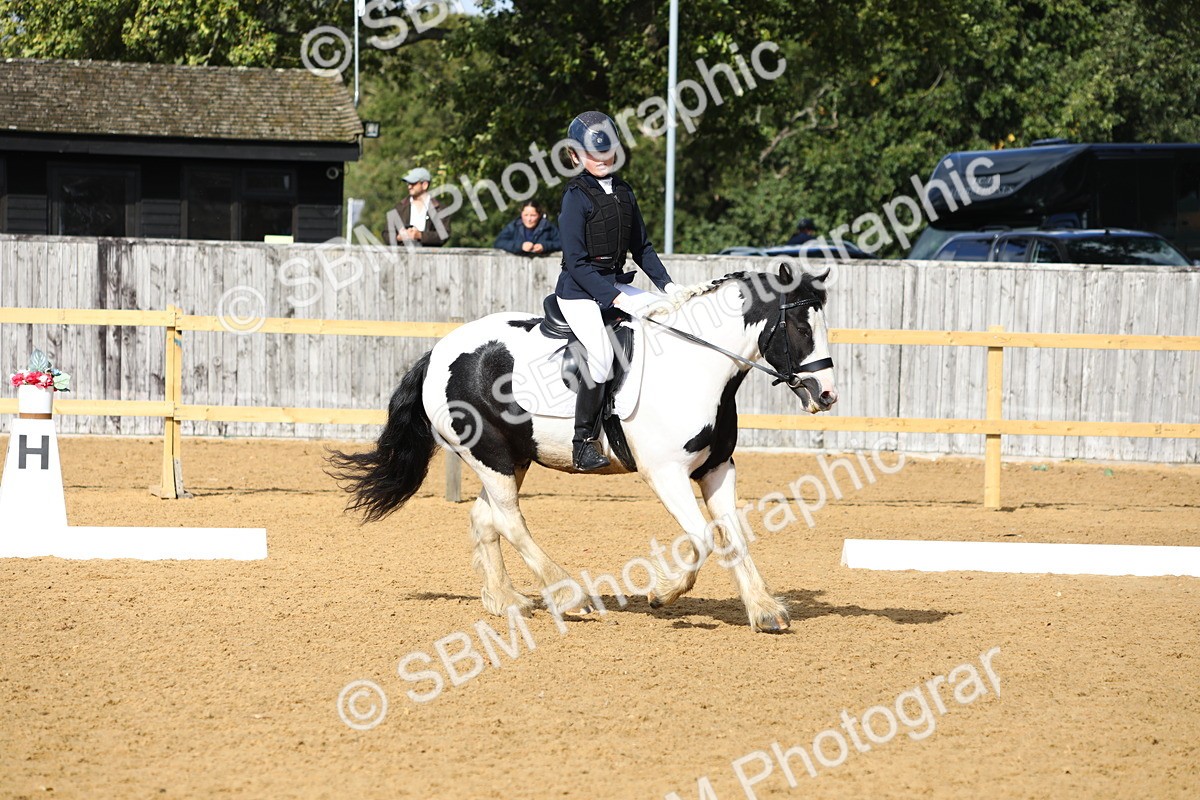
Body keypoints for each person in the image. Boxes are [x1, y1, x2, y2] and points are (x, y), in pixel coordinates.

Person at [556, 110, 680, 471]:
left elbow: (642, 247)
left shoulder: (625, 192)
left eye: (607, 154)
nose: (602, 160)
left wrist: (668, 287)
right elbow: (577, 264)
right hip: (578, 292)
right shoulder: (575, 197)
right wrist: (615, 296)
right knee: (599, 354)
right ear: (576, 156)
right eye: (594, 155)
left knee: (668, 318)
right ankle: (583, 443)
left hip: (615, 283)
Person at [392, 167, 450, 247]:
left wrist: (420, 235)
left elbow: (444, 235)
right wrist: (398, 237)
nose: (409, 187)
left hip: (430, 258)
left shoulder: (440, 209)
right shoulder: (399, 207)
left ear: (425, 185)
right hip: (403, 257)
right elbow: (386, 233)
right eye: (408, 183)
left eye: (413, 183)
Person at [493, 201, 562, 256]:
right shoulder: (514, 226)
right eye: (525, 215)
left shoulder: (548, 227)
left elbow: (562, 243)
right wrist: (520, 246)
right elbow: (499, 243)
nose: (529, 219)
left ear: (539, 215)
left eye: (533, 215)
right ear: (521, 214)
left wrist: (545, 246)